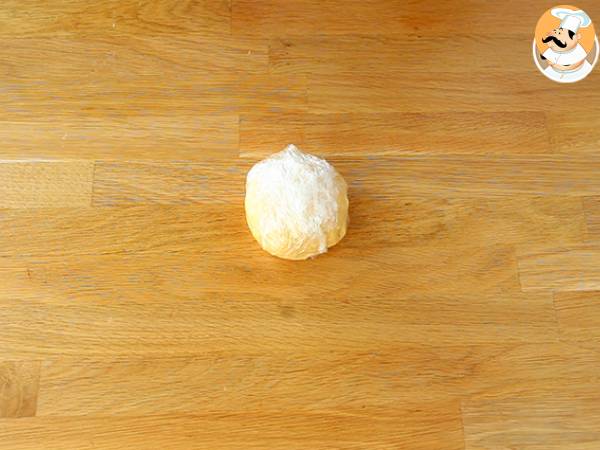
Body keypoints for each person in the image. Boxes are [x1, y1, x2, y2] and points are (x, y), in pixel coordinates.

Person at [540, 8, 593, 82]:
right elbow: (548, 58)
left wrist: (557, 65)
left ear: (576, 37)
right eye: (555, 32)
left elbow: (576, 63)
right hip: (552, 72)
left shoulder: (578, 51)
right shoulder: (552, 48)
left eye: (559, 33)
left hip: (577, 74)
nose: (555, 36)